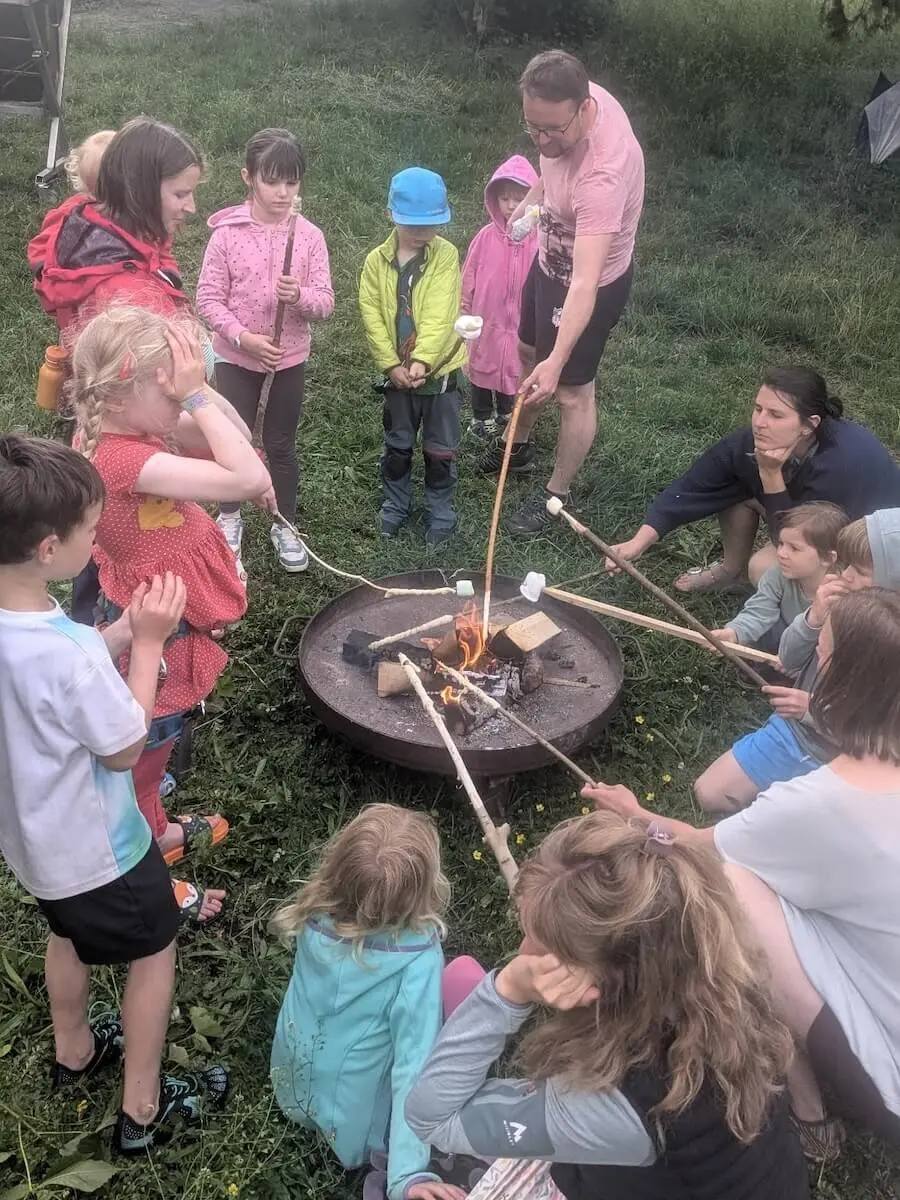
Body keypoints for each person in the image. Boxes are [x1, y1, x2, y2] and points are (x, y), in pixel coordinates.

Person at [587, 588, 900, 1161]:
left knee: (728, 890)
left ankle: (810, 1112)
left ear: (844, 679)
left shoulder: (818, 804)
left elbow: (699, 847)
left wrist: (636, 815)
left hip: (893, 1088)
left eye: (823, 655)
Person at [0, 436, 228, 1154]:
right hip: (107, 853)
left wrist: (122, 628)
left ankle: (74, 1052)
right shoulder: (67, 656)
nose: (98, 539)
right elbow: (125, 745)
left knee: (66, 932)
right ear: (47, 549)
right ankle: (142, 1107)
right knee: (154, 950)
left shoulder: (31, 635)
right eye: (91, 532)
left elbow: (47, 684)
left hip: (37, 851)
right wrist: (152, 644)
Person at [406, 811, 809, 1200]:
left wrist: (508, 989)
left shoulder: (621, 1102)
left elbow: (432, 1117)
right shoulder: (714, 976)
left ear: (608, 982)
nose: (521, 953)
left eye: (539, 946)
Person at [72, 305, 272, 920]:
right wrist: (196, 398)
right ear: (126, 389)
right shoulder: (122, 459)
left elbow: (237, 440)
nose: (181, 406)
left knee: (159, 749)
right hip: (151, 638)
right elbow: (247, 473)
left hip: (161, 623)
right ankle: (145, 870)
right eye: (170, 392)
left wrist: (199, 391)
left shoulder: (132, 429)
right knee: (138, 762)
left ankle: (154, 827)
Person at [28, 117, 205, 628]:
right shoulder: (128, 294)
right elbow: (161, 392)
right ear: (142, 191)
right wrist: (215, 433)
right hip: (134, 444)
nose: (191, 207)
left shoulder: (99, 228)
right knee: (130, 571)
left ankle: (98, 643)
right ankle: (137, 673)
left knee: (98, 538)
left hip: (102, 433)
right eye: (181, 193)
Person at [270, 804, 480, 1200]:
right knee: (467, 979)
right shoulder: (417, 960)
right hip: (358, 1132)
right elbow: (412, 1071)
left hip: (291, 1093)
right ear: (421, 891)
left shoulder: (314, 913)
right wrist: (408, 1178)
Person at [479, 50, 644, 537]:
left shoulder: (602, 176)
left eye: (553, 131)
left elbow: (585, 283)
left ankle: (556, 494)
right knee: (529, 351)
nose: (542, 141)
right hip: (548, 258)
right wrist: (533, 201)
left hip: (591, 280)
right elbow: (549, 162)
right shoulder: (562, 108)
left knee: (570, 391)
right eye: (533, 128)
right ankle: (520, 442)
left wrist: (560, 359)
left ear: (585, 108)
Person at [607, 366, 900, 594]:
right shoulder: (767, 438)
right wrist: (639, 542)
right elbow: (698, 483)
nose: (759, 423)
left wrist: (771, 475)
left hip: (864, 560)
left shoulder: (841, 466)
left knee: (764, 568)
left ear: (809, 425)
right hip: (814, 528)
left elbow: (794, 540)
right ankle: (731, 571)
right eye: (758, 409)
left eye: (775, 414)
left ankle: (810, 619)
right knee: (737, 485)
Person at [694, 505, 900, 814]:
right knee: (709, 793)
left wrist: (813, 708)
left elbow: (885, 740)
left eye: (860, 572)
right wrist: (814, 619)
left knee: (808, 829)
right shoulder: (841, 602)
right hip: (798, 731)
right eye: (847, 565)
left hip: (854, 754)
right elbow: (788, 660)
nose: (844, 576)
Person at [196, 128, 334, 575]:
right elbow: (208, 300)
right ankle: (230, 517)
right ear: (248, 178)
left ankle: (284, 522)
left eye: (291, 182)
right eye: (272, 181)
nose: (282, 192)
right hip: (237, 359)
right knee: (231, 439)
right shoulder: (227, 236)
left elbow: (325, 302)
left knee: (280, 443)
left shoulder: (308, 237)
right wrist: (243, 338)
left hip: (288, 360)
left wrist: (301, 299)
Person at [359, 167, 466, 547]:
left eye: (431, 223)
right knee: (398, 444)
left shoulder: (445, 256)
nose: (422, 232)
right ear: (391, 215)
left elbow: (440, 314)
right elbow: (371, 313)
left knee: (440, 449)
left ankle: (441, 511)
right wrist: (391, 365)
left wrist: (421, 362)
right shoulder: (375, 262)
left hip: (439, 378)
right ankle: (395, 505)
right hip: (398, 378)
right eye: (413, 223)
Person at [460, 155, 539, 438]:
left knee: (514, 370)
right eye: (504, 199)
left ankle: (506, 412)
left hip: (520, 323)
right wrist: (465, 307)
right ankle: (481, 416)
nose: (510, 205)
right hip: (486, 320)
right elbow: (469, 273)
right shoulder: (485, 237)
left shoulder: (539, 241)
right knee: (481, 366)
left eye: (518, 199)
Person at [711, 501, 847, 654]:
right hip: (786, 638)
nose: (781, 553)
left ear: (828, 558)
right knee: (768, 628)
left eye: (794, 548)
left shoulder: (844, 595)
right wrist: (734, 633)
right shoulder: (777, 575)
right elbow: (760, 610)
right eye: (781, 544)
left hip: (820, 651)